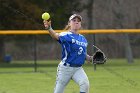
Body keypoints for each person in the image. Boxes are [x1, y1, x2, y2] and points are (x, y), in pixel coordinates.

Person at [43, 14, 92, 93]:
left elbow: (83, 54)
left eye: (78, 21)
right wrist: (49, 28)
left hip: (78, 69)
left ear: (80, 24)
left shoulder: (83, 39)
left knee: (85, 84)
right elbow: (55, 36)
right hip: (65, 68)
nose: (76, 22)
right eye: (74, 20)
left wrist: (91, 58)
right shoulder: (65, 35)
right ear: (69, 23)